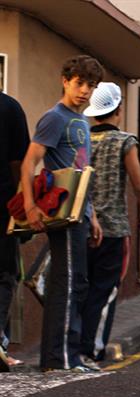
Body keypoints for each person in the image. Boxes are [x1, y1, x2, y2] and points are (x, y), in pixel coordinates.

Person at [17, 55, 104, 372]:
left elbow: (82, 172)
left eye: (90, 85)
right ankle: (59, 358)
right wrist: (30, 205)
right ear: (65, 81)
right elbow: (30, 163)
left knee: (75, 282)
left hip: (80, 213)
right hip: (62, 213)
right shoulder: (54, 118)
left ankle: (68, 354)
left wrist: (92, 215)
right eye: (79, 83)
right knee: (67, 284)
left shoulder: (82, 121)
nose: (84, 90)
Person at [79, 82, 140, 364]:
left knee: (82, 287)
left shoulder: (81, 138)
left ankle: (75, 347)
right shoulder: (124, 141)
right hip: (113, 230)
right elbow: (139, 186)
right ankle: (91, 349)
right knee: (104, 291)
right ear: (119, 109)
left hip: (80, 227)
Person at [0, 93, 30, 371]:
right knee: (5, 275)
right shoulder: (9, 107)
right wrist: (26, 207)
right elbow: (19, 165)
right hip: (3, 207)